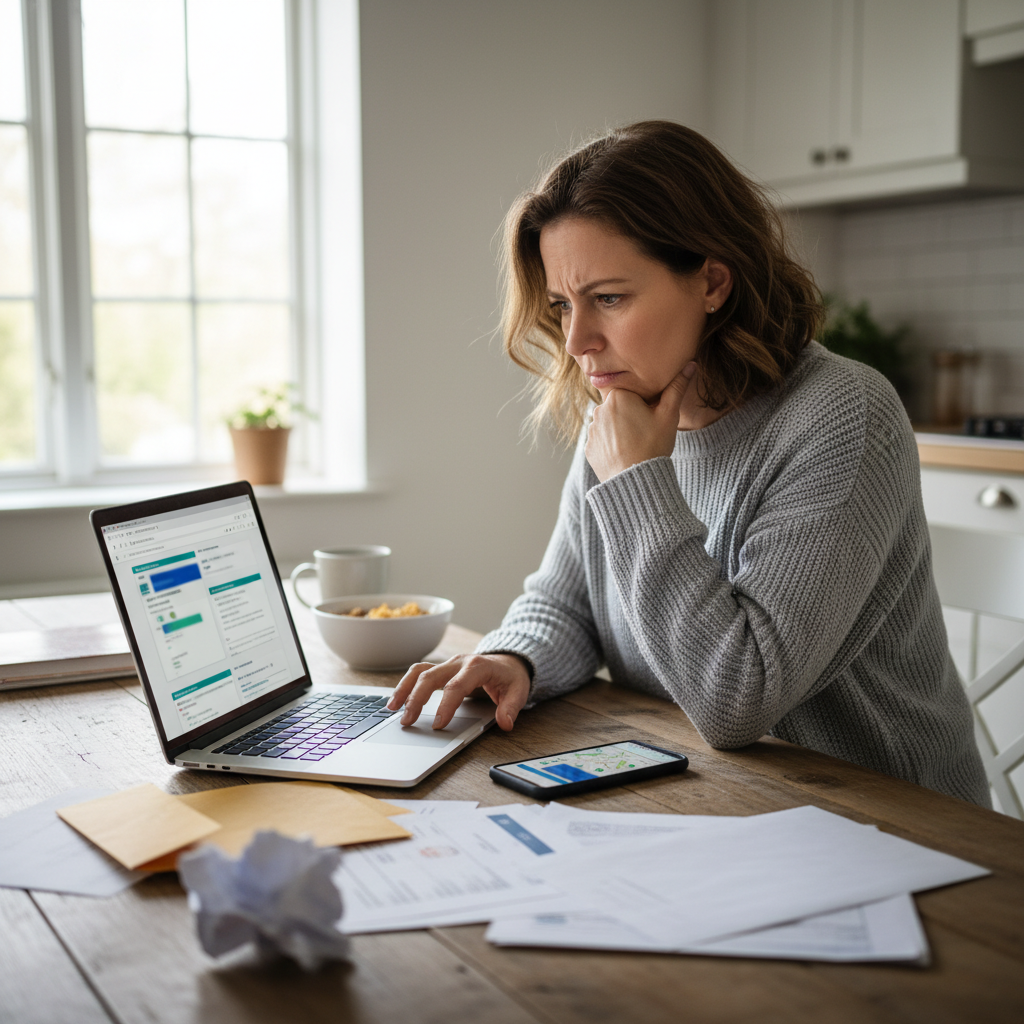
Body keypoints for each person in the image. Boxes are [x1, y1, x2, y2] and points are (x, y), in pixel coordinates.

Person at [387, 120, 990, 807]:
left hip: (893, 822)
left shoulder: (841, 415)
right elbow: (567, 601)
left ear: (712, 281)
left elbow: (737, 699)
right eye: (562, 305)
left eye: (609, 298)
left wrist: (639, 479)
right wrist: (512, 657)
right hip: (710, 792)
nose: (578, 341)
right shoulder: (620, 411)